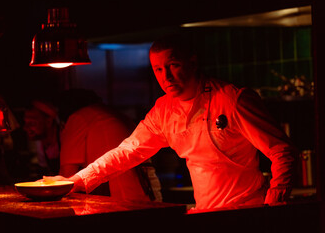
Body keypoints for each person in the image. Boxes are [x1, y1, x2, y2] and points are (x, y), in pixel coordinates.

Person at [44, 34, 296, 212]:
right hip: (206, 212)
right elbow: (127, 152)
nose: (166, 77)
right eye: (158, 70)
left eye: (173, 66)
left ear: (193, 63)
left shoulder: (232, 99)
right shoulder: (164, 110)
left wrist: (274, 201)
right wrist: (76, 181)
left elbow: (281, 150)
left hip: (248, 211)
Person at [56, 89, 162, 202]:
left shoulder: (78, 118)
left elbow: (66, 175)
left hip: (120, 199)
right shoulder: (117, 115)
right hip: (151, 193)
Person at [23, 100, 61, 176]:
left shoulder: (65, 139)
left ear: (48, 122)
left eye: (32, 123)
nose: (26, 128)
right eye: (25, 123)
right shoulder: (40, 144)